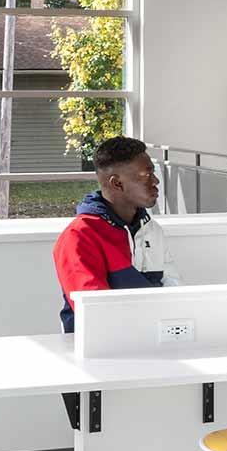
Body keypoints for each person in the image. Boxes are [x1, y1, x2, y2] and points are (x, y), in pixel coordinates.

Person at [52, 136, 165, 424]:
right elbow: (98, 314)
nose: (155, 181)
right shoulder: (79, 237)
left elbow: (172, 289)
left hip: (148, 356)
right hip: (95, 365)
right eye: (146, 174)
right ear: (116, 184)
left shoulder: (150, 229)